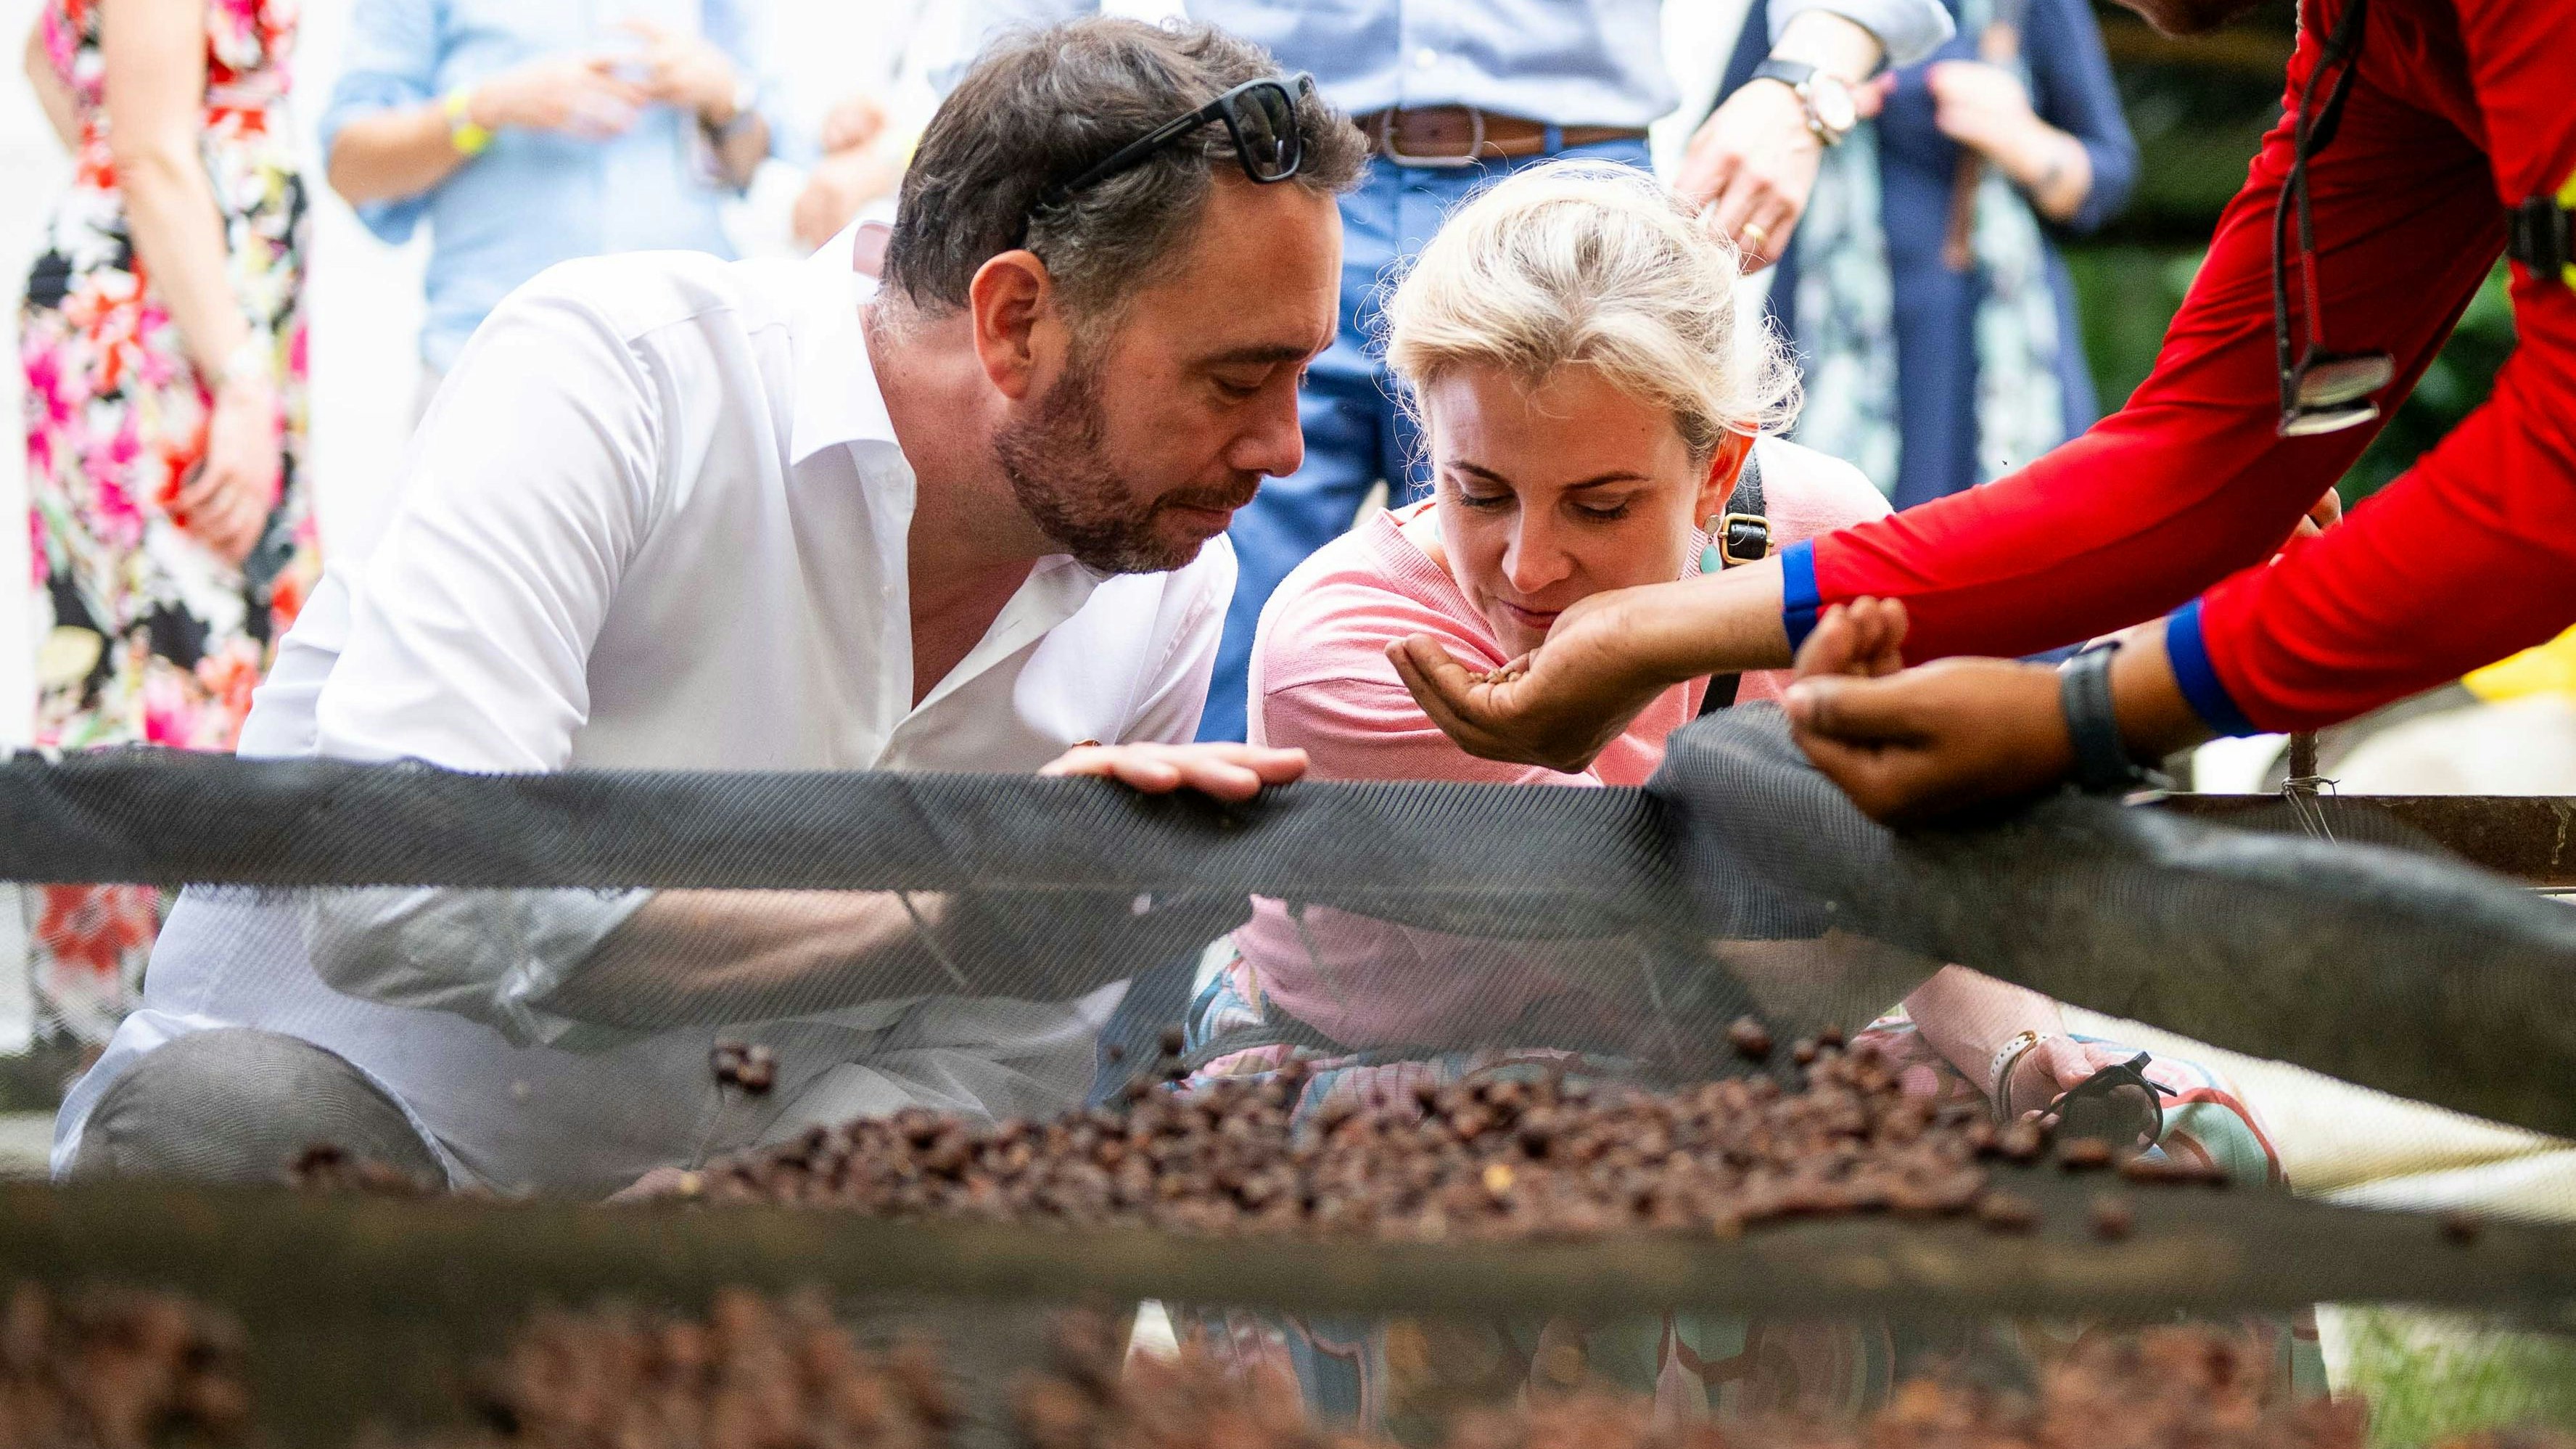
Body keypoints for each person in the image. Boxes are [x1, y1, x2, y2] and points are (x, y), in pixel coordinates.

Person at [49, 17, 1360, 1194]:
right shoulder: (615, 377)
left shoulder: (1171, 577)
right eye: (1237, 378)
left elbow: (977, 1072)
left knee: (1021, 1260)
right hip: (364, 1173)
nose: (1286, 449)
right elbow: (406, 890)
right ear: (1015, 320)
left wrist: (713, 1243)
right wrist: (941, 912)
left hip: (724, 1258)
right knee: (229, 1125)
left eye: (1302, 374)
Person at [1177, 167, 2279, 1421]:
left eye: (1601, 504)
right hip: (1409, 1092)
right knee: (1630, 1193)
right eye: (1480, 491)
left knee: (2188, 1144)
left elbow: (1893, 857)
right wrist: (2071, 743)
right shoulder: (1352, 644)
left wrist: (2033, 1062)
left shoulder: (1817, 530)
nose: (1529, 563)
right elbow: (1754, 976)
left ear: (1719, 474)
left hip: (1736, 1052)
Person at [1387, 0, 2576, 829]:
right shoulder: (2375, 35)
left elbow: (2556, 476)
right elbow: (2200, 465)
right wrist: (1645, 631)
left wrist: (2091, 712)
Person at [944, 0, 1958, 744]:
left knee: (1604, 595)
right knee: (1199, 635)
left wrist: (1804, 80)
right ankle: (1157, 1020)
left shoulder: (1823, 515)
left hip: (1568, 178)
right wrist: (971, 158)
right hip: (1270, 187)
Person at [17, 0, 322, 1047]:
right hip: (168, 348)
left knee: (155, 672)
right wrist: (235, 375)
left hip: (176, 322)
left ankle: (140, 1026)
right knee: (173, 679)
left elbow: (48, 66)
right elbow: (147, 150)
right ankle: (150, 1041)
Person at [1717, 0, 2136, 505]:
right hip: (1824, 338)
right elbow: (1733, 141)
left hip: (1984, 348)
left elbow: (2108, 178)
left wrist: (2021, 137)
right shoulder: (1792, 8)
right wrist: (1815, 104)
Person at [318, 0, 798, 395]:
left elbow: (772, 174)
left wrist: (727, 99)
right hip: (496, 375)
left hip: (696, 374)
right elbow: (351, 167)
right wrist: (484, 108)